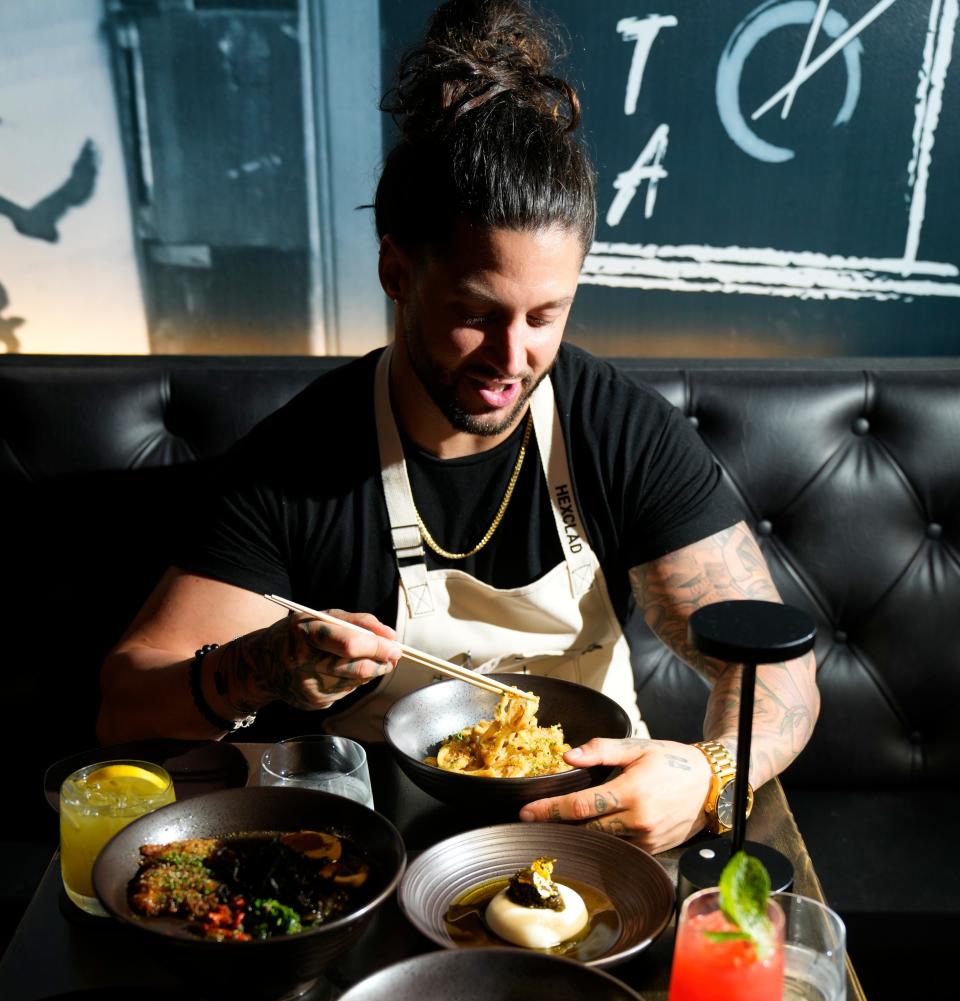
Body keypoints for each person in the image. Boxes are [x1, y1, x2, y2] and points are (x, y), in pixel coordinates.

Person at [98, 0, 818, 854]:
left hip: (594, 839)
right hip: (379, 849)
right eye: (476, 314)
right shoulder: (302, 458)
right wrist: (264, 666)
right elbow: (125, 703)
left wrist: (705, 774)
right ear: (397, 271)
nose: (511, 358)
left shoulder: (619, 431)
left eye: (545, 316)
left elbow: (778, 671)